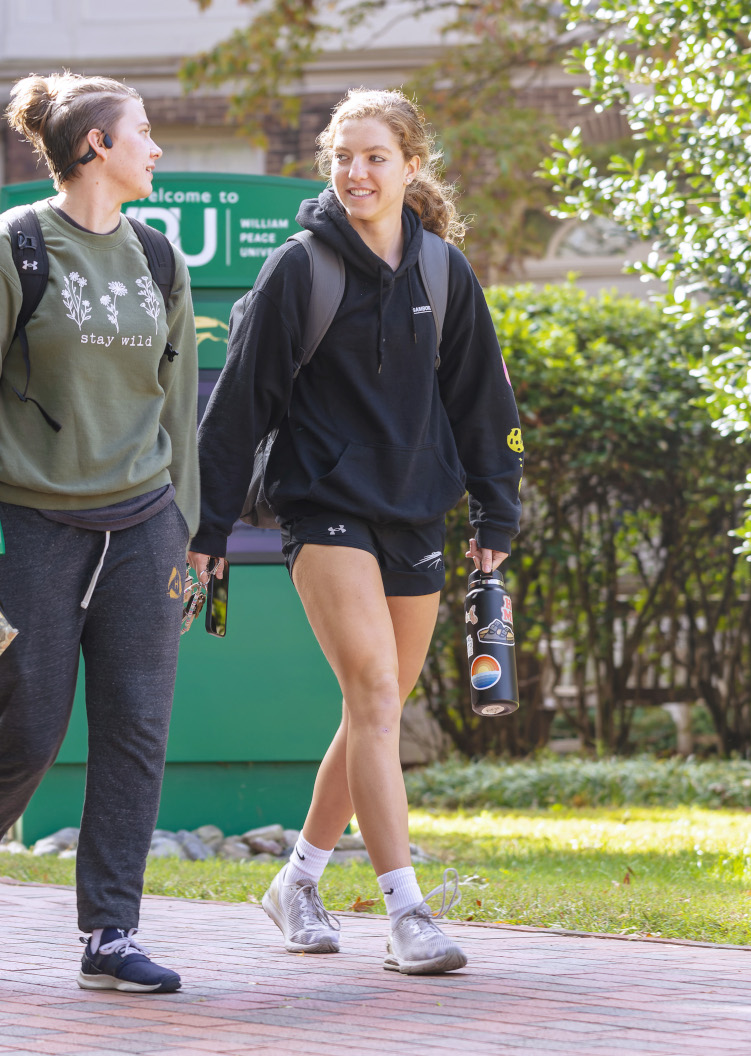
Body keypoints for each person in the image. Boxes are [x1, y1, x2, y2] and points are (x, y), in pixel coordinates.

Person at [193, 89, 523, 974]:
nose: (355, 173)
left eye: (375, 156)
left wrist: (497, 510)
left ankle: (295, 878)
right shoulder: (301, 268)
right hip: (323, 506)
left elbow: (483, 404)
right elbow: (236, 406)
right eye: (343, 155)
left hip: (415, 509)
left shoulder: (444, 272)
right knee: (375, 693)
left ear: (412, 166)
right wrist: (207, 530)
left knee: (374, 709)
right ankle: (406, 911)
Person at [0, 72, 201, 994]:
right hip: (31, 525)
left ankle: (110, 933)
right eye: (142, 133)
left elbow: (177, 408)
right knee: (29, 727)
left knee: (136, 729)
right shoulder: (11, 251)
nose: (157, 149)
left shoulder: (160, 260)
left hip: (144, 523)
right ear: (95, 149)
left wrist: (189, 535)